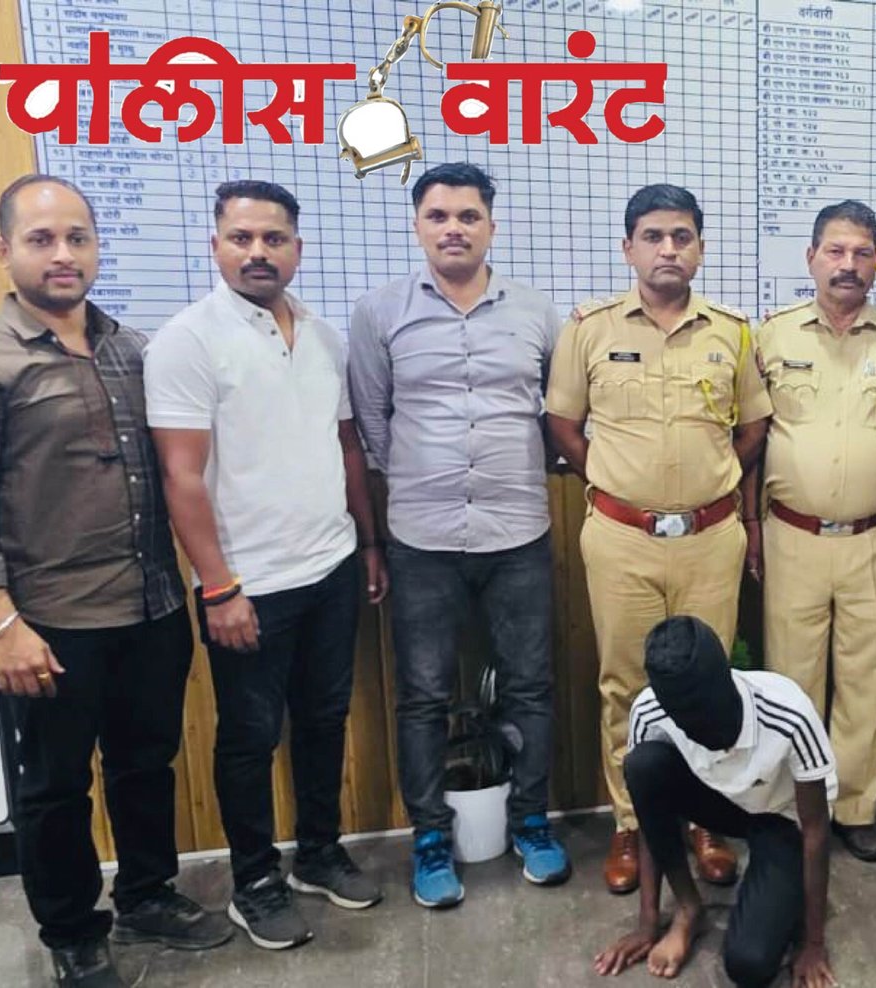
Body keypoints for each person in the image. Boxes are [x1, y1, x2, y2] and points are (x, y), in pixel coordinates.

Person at [0, 175, 231, 987]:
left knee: (146, 765)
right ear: (3, 250)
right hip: (48, 621)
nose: (63, 254)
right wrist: (1, 623)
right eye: (41, 239)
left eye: (77, 237)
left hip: (150, 604)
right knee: (54, 788)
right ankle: (73, 932)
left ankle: (147, 894)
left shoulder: (133, 349)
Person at [146, 181, 386, 950]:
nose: (258, 252)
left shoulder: (321, 335)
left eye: (273, 239)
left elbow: (346, 445)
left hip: (331, 567)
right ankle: (254, 881)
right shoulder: (187, 341)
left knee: (323, 719)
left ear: (296, 249)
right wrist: (219, 588)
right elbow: (181, 476)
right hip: (248, 585)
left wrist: (367, 543)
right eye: (241, 238)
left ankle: (317, 852)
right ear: (215, 246)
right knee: (250, 739)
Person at [349, 162, 569, 905]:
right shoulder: (379, 312)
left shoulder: (537, 313)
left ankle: (532, 823)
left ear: (491, 227)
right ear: (418, 226)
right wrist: (425, 476)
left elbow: (555, 415)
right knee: (422, 694)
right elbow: (373, 422)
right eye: (438, 216)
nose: (453, 229)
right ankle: (431, 839)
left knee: (529, 686)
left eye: (468, 216)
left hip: (518, 532)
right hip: (423, 537)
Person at [546, 184, 772, 894]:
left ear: (700, 248)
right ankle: (632, 824)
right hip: (622, 538)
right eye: (653, 236)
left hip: (710, 537)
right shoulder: (589, 329)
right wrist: (613, 480)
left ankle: (705, 817)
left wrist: (717, 480)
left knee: (711, 683)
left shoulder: (733, 332)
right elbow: (563, 424)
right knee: (625, 683)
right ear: (629, 248)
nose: (668, 249)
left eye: (682, 236)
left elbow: (753, 426)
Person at [752, 199, 876, 862]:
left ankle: (855, 808)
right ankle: (793, 811)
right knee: (790, 683)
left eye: (861, 252)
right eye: (835, 250)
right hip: (790, 535)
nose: (848, 264)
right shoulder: (771, 337)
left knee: (866, 681)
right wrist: (750, 524)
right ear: (811, 258)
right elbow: (750, 438)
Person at [594, 616, 838, 988]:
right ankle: (688, 909)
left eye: (708, 719)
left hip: (781, 816)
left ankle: (783, 899)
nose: (701, 733)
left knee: (749, 965)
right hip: (720, 799)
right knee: (642, 765)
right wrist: (647, 924)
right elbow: (649, 808)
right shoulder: (651, 711)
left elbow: (816, 828)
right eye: (687, 723)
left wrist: (814, 942)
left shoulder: (788, 712)